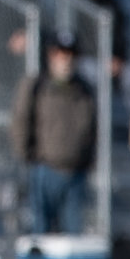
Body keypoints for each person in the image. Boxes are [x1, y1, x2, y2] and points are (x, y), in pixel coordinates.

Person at [12, 30, 96, 234]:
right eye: (61, 54)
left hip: (76, 172)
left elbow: (92, 129)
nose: (65, 60)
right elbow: (21, 120)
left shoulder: (85, 89)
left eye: (70, 54)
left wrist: (87, 160)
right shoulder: (36, 85)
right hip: (44, 168)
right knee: (40, 231)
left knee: (73, 234)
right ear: (51, 55)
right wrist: (27, 155)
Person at [73, 0, 130, 78]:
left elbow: (121, 37)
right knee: (89, 69)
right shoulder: (72, 3)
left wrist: (117, 57)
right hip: (83, 58)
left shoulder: (113, 5)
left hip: (109, 59)